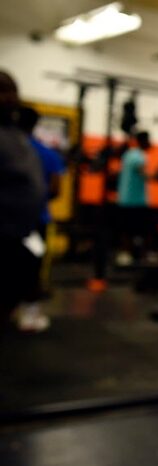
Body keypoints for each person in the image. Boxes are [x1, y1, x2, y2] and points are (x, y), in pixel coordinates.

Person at [0, 71, 44, 338]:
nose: (8, 98)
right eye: (3, 91)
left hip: (16, 238)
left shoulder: (15, 136)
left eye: (12, 91)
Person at [15, 106, 66, 332]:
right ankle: (29, 314)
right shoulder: (46, 153)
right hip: (34, 222)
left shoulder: (11, 149)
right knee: (31, 267)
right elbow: (55, 189)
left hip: (12, 223)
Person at [115, 130, 151, 265]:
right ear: (144, 141)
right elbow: (143, 173)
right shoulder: (138, 157)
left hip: (124, 198)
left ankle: (126, 254)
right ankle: (139, 255)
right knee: (139, 230)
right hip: (135, 200)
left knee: (126, 229)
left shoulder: (128, 154)